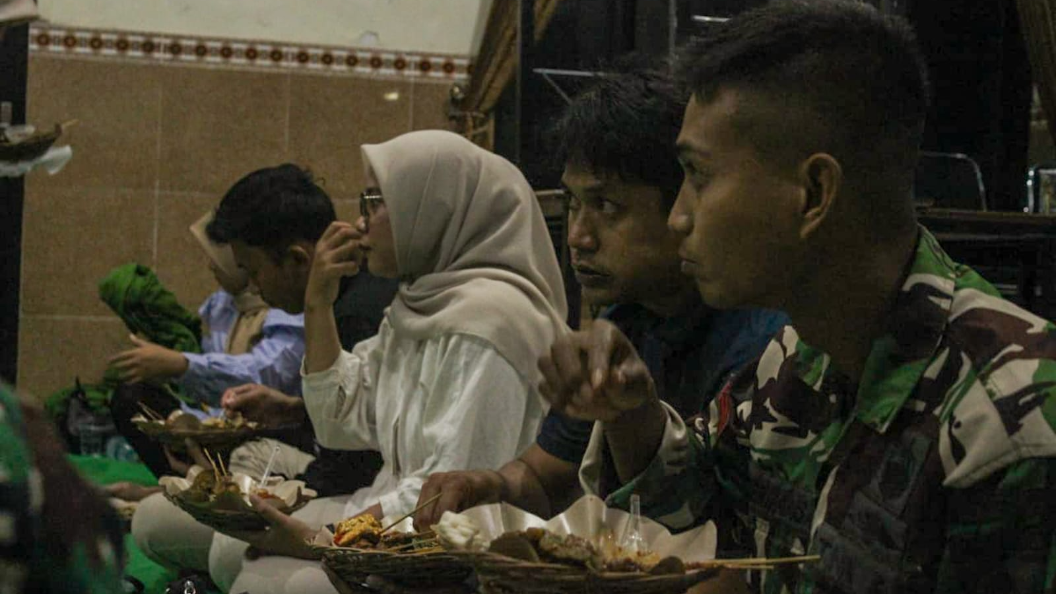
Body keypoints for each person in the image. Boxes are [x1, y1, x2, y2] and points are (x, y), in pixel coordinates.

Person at [540, 2, 1056, 592]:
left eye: (699, 176)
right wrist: (629, 409)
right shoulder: (793, 356)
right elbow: (696, 514)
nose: (678, 216)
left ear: (813, 193)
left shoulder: (1012, 422)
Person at [413, 66, 787, 528]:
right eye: (573, 204)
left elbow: (726, 535)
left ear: (684, 203)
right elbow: (544, 478)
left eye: (607, 206)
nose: (578, 236)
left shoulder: (762, 341)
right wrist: (487, 485)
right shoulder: (626, 320)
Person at [208, 130, 569, 594]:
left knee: (269, 582)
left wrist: (324, 539)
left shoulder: (491, 323)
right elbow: (340, 421)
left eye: (375, 202)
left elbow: (444, 501)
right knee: (231, 550)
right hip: (391, 513)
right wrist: (318, 304)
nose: (361, 222)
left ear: (433, 208)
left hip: (446, 554)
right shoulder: (421, 302)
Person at [131, 164, 398, 576]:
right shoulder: (349, 301)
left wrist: (284, 513)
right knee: (163, 514)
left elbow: (360, 467)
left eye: (254, 272)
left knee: (212, 547)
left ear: (296, 259)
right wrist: (292, 411)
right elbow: (362, 424)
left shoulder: (356, 315)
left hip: (368, 506)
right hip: (342, 487)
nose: (360, 227)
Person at [107, 210, 306, 479]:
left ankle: (202, 481)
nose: (211, 266)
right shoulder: (224, 304)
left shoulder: (290, 305)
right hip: (219, 423)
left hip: (269, 433)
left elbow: (265, 374)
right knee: (132, 396)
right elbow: (212, 392)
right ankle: (183, 480)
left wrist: (181, 365)